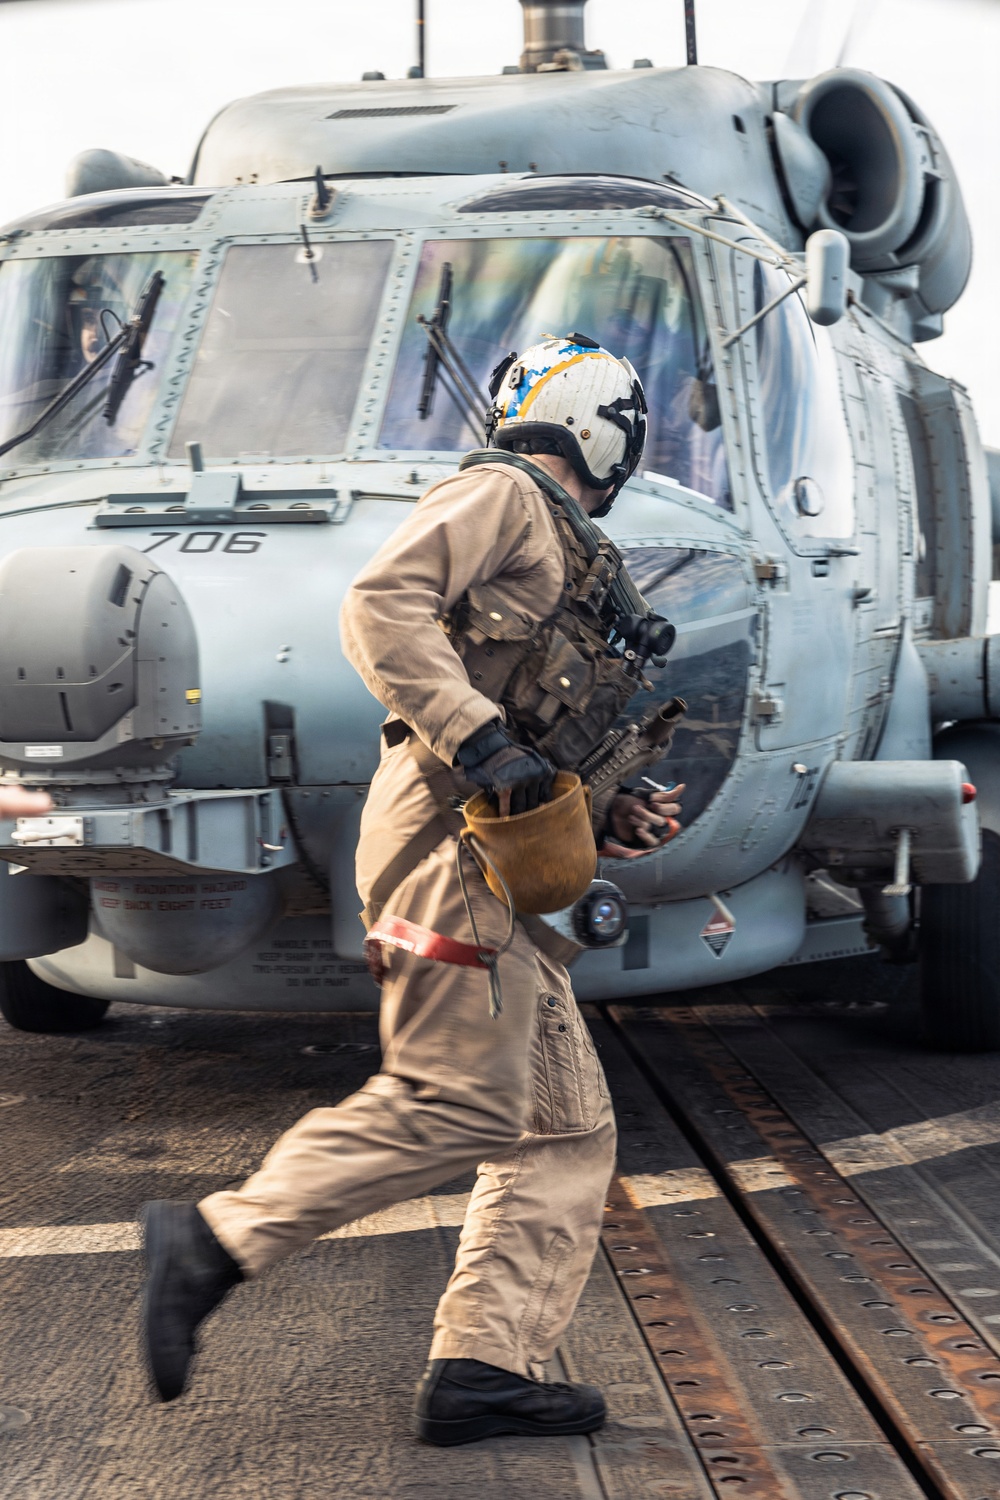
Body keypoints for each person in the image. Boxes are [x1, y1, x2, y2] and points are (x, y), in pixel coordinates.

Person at [140, 335, 685, 1446]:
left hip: (498, 856)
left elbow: (531, 714)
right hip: (448, 843)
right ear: (607, 427)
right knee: (459, 1103)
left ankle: (486, 1365)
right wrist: (483, 747)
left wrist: (605, 803)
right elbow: (381, 605)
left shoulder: (563, 546)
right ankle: (213, 1239)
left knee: (564, 1128)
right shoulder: (503, 495)